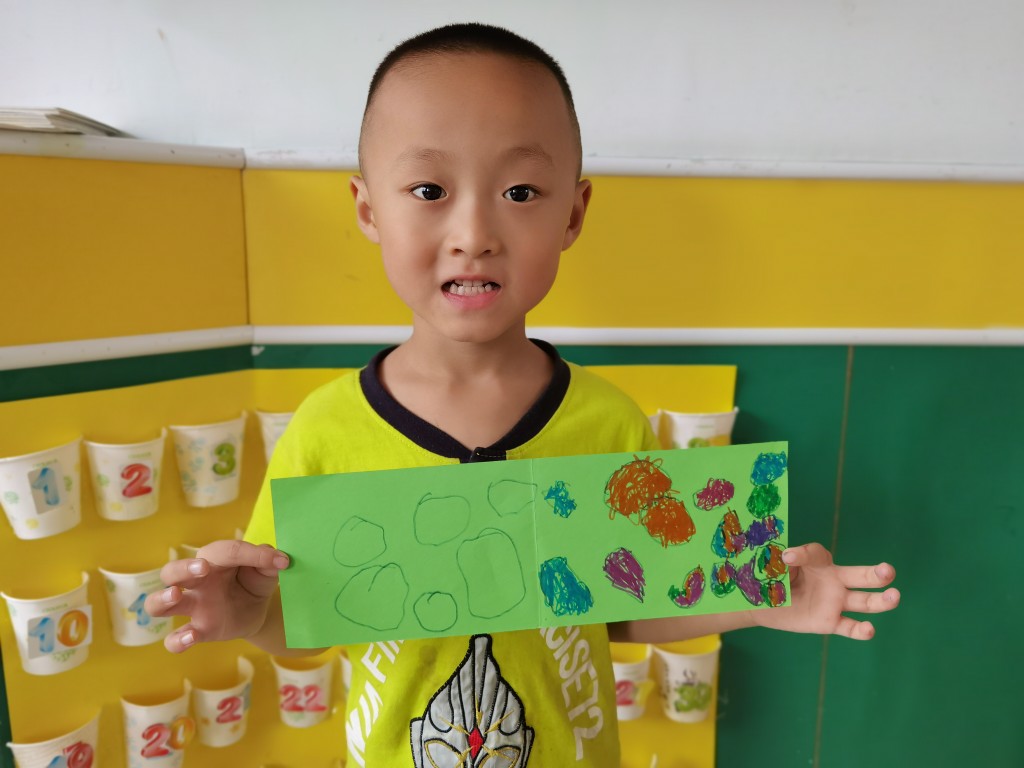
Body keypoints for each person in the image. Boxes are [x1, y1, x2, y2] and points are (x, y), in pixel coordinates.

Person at [146, 22, 899, 767]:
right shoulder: (325, 430)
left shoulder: (607, 423)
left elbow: (628, 608)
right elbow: (306, 616)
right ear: (369, 209)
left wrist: (761, 594)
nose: (474, 232)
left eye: (520, 191)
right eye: (429, 190)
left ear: (572, 212)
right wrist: (250, 615)